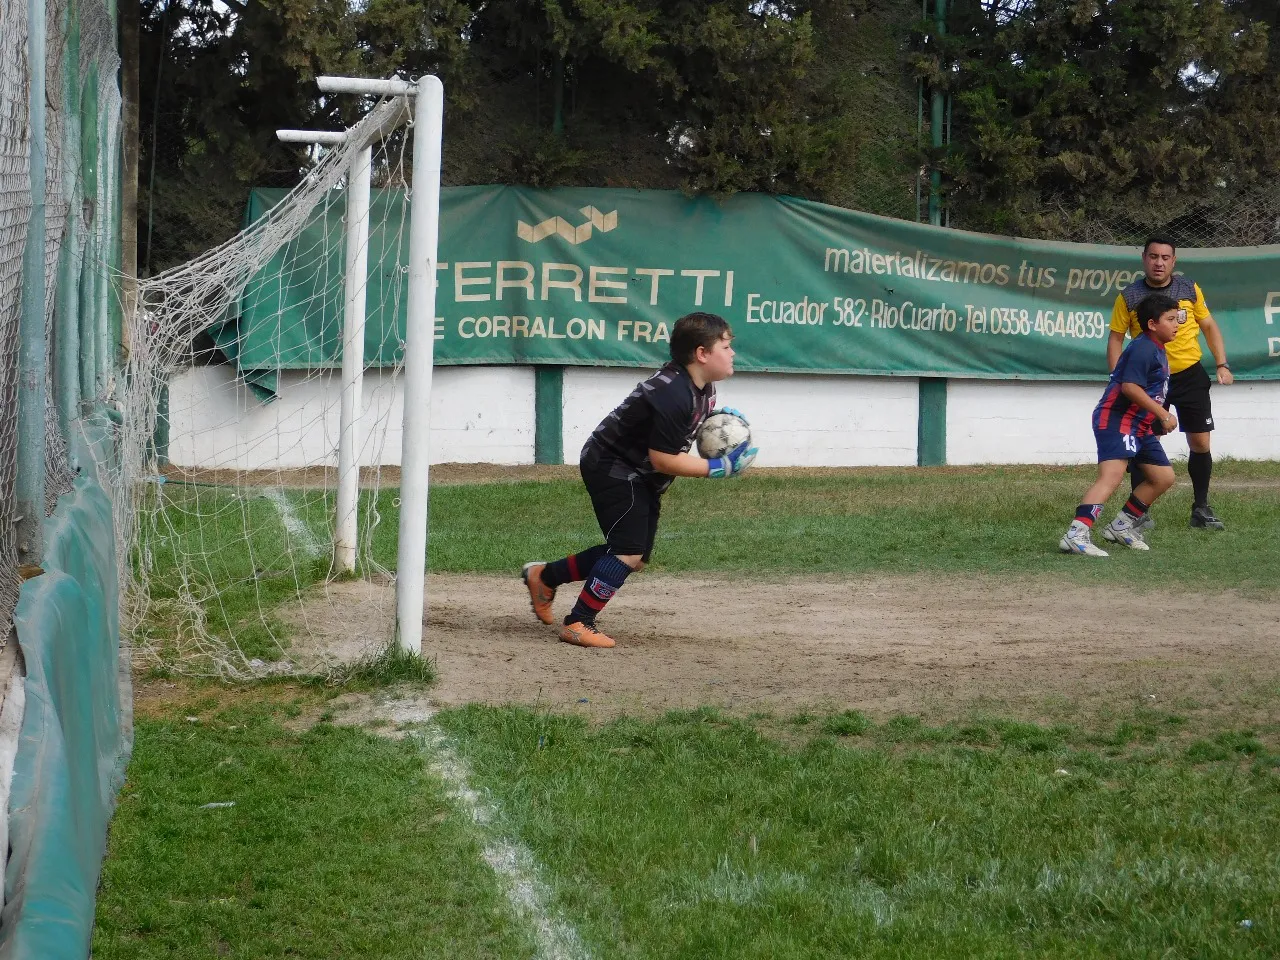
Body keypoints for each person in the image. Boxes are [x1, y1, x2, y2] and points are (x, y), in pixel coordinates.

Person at [521, 312, 758, 648]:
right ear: (702, 354)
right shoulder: (674, 393)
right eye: (726, 346)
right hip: (612, 466)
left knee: (637, 557)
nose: (732, 353)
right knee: (627, 552)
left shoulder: (702, 388)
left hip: (639, 471)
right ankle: (578, 623)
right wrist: (717, 467)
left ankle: (545, 577)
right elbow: (663, 458)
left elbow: (676, 437)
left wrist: (718, 422)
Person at [1108, 235, 1233, 530]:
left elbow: (1209, 325)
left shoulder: (1189, 289)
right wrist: (1117, 380)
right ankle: (1139, 512)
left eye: (1165, 258)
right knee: (1144, 443)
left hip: (1190, 375)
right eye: (1153, 257)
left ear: (1174, 261)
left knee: (1200, 441)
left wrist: (1222, 364)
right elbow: (1115, 338)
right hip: (1151, 382)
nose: (1159, 263)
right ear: (1144, 259)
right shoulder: (1129, 296)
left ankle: (1201, 509)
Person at [1062, 294, 1181, 557]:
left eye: (1178, 318)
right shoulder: (1143, 348)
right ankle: (1076, 533)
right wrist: (1162, 414)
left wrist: (1154, 419)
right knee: (1111, 476)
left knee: (1163, 477)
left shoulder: (1157, 348)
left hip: (1140, 425)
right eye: (1171, 319)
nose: (1177, 324)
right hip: (1116, 419)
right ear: (1152, 324)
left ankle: (1121, 527)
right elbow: (1129, 387)